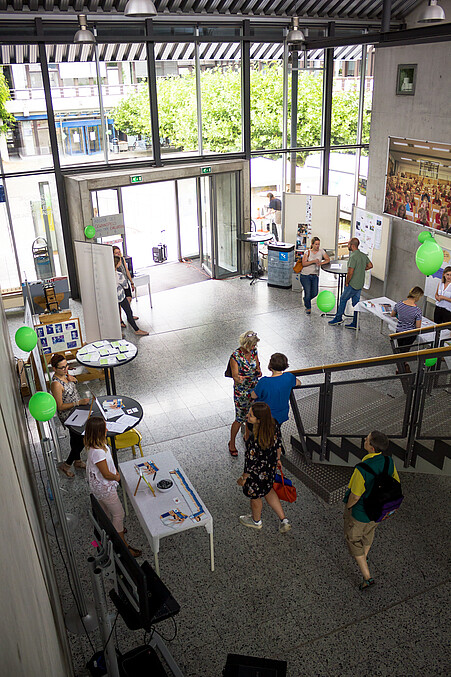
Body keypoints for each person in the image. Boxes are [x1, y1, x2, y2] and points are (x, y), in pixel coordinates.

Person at [343, 430, 400, 590]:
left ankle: (367, 577)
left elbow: (355, 496)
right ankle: (364, 557)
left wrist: (348, 508)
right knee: (368, 533)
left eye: (367, 439)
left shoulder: (362, 469)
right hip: (380, 510)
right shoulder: (389, 462)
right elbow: (396, 482)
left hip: (361, 513)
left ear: (372, 448)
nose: (364, 440)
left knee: (353, 540)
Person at [85, 416, 141, 557]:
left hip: (98, 488)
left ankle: (113, 531)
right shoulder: (97, 452)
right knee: (119, 513)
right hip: (105, 489)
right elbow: (106, 474)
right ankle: (123, 546)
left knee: (106, 513)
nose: (107, 430)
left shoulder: (94, 446)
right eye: (104, 428)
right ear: (98, 432)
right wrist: (117, 476)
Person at [237, 402, 291, 533]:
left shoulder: (254, 441)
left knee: (255, 496)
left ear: (259, 420)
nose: (247, 416)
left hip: (256, 473)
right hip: (270, 467)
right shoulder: (273, 424)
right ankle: (283, 520)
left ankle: (256, 521)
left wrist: (243, 478)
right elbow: (278, 443)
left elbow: (250, 462)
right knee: (268, 489)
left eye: (250, 415)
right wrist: (278, 459)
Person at [50, 353, 90, 478]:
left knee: (75, 438)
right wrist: (78, 402)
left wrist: (74, 380)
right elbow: (60, 406)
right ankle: (66, 465)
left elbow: (70, 391)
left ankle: (77, 461)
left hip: (77, 410)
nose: (65, 369)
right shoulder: (56, 384)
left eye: (66, 365)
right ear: (55, 369)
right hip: (69, 415)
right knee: (82, 439)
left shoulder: (66, 375)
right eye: (62, 367)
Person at [228, 331, 261, 457]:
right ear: (246, 344)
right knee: (240, 418)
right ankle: (232, 443)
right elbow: (235, 376)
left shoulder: (254, 352)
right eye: (252, 345)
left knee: (251, 414)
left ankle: (247, 435)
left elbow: (257, 367)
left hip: (254, 388)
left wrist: (258, 371)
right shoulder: (235, 356)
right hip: (241, 391)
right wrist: (240, 378)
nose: (254, 348)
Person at [328, 238, 373, 329]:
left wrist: (347, 282)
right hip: (360, 284)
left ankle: (338, 318)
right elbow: (370, 265)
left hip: (352, 284)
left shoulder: (353, 257)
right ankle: (355, 323)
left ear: (352, 245)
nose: (348, 246)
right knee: (356, 304)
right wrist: (361, 270)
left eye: (348, 244)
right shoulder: (363, 255)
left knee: (343, 299)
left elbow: (350, 272)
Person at [251, 353, 301, 427]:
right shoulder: (289, 377)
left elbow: (253, 396)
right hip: (281, 415)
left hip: (265, 416)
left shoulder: (264, 382)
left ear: (270, 366)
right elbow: (298, 383)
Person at [115, 255, 149, 336]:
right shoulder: (119, 275)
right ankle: (137, 330)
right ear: (117, 264)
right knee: (128, 312)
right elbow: (125, 286)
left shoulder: (107, 274)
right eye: (120, 262)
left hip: (112, 297)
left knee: (115, 315)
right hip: (120, 297)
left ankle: (117, 333)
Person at [299, 237, 330, 314]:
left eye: (318, 244)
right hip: (305, 275)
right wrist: (313, 261)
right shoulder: (307, 252)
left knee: (315, 292)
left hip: (315, 275)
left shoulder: (321, 251)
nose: (317, 246)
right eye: (316, 244)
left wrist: (321, 263)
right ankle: (308, 307)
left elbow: (328, 259)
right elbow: (304, 263)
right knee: (308, 292)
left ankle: (306, 299)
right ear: (312, 244)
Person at [390, 286, 424, 352]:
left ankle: (401, 360)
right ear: (417, 297)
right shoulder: (417, 310)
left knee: (400, 347)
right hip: (410, 333)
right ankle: (402, 361)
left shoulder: (399, 304)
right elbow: (418, 326)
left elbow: (392, 314)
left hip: (399, 331)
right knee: (405, 350)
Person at [113, 246, 137, 328]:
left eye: (119, 252)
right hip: (119, 286)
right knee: (119, 304)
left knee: (128, 299)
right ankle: (120, 320)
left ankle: (129, 316)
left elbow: (126, 270)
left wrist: (131, 282)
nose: (119, 254)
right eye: (116, 253)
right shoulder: (114, 264)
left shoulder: (122, 259)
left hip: (125, 282)